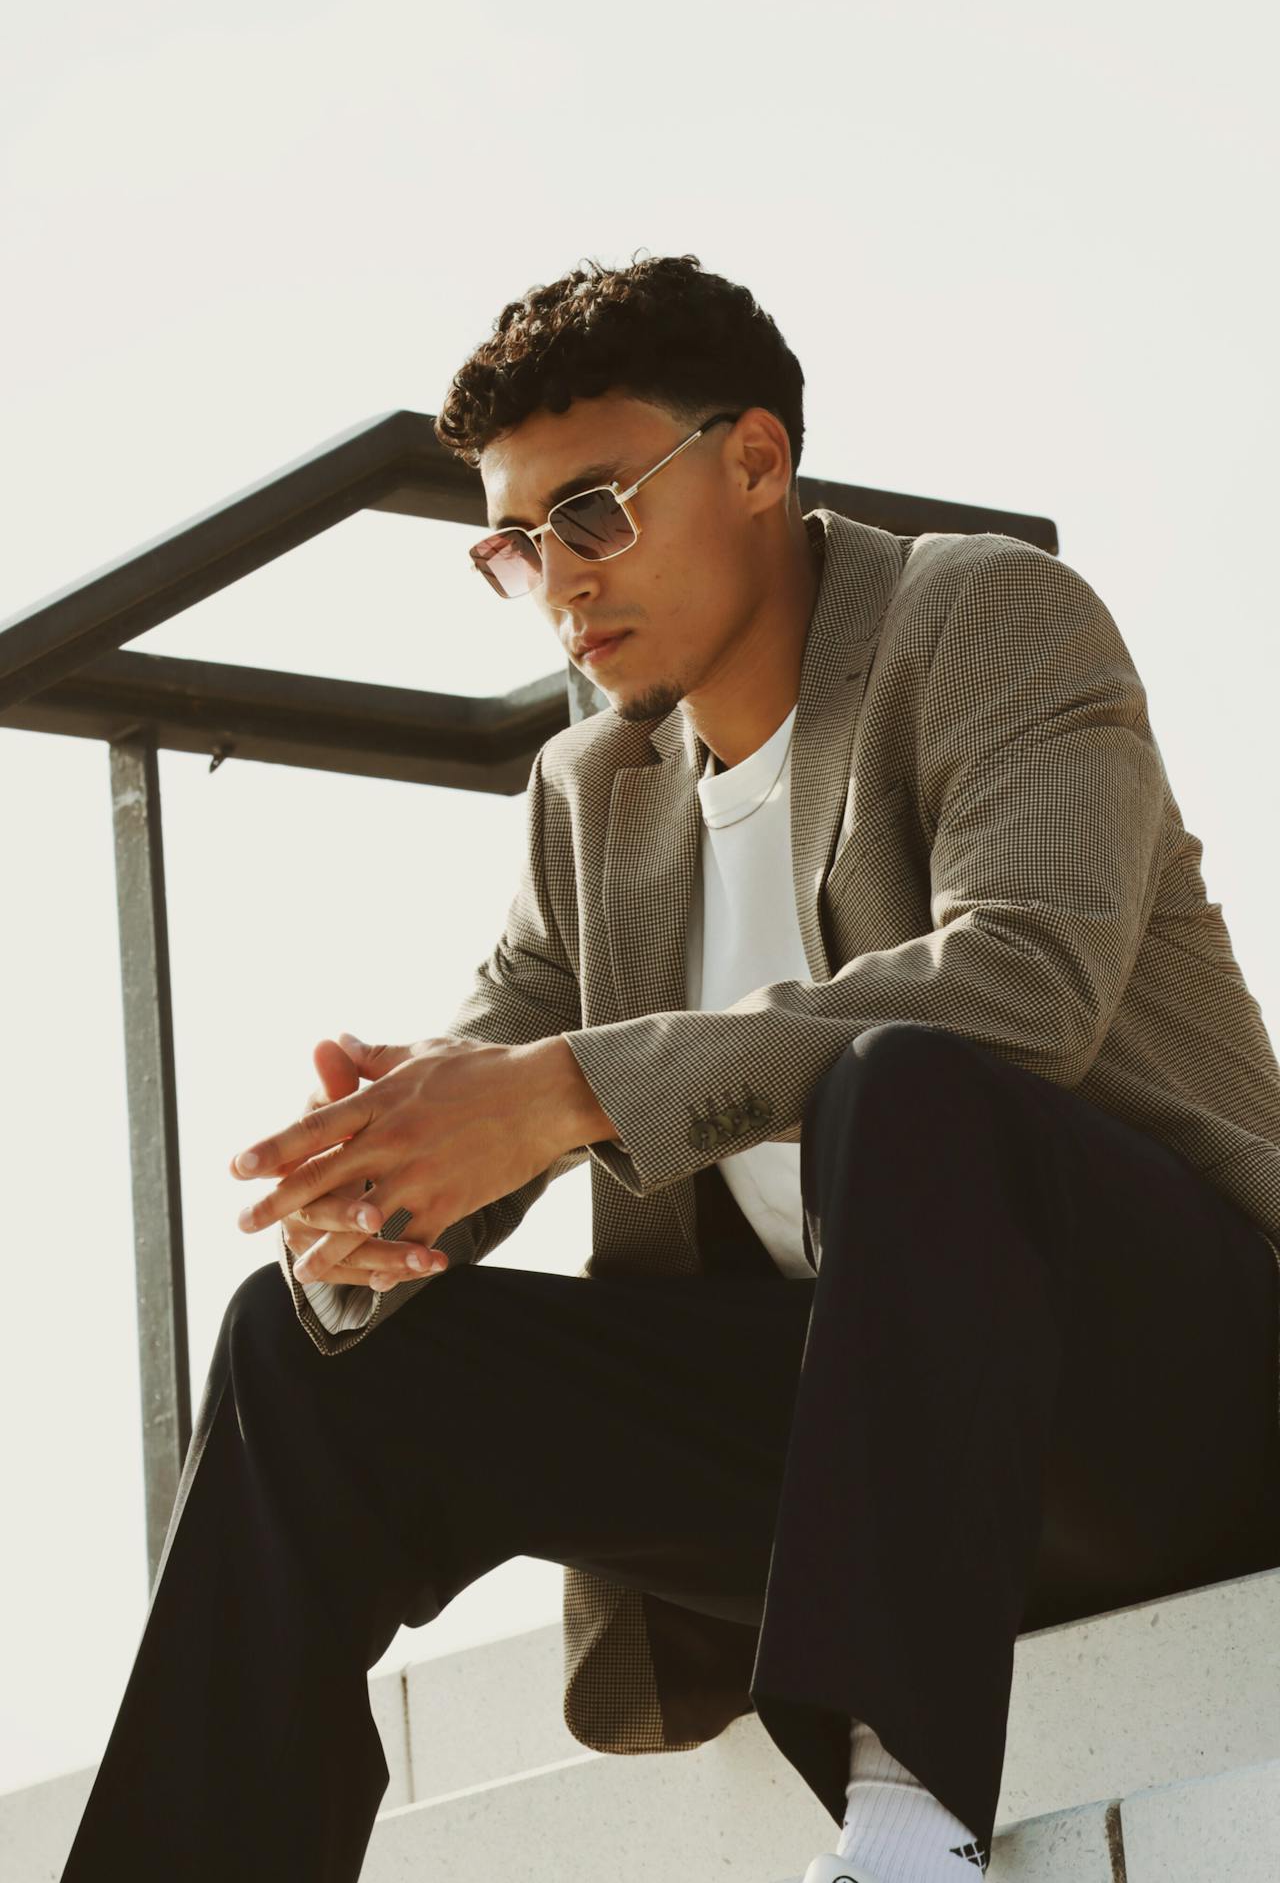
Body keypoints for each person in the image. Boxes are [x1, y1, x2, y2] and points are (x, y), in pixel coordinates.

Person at [61, 253, 1280, 1883]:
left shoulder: (981, 619)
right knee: (303, 1354)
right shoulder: (593, 798)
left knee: (906, 1084)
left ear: (756, 461)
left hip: (1171, 1407)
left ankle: (908, 1829)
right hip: (858, 1460)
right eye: (515, 546)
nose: (560, 582)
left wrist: (564, 1092)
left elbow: (1028, 981)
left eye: (595, 513)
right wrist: (378, 1185)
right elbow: (499, 1061)